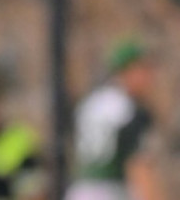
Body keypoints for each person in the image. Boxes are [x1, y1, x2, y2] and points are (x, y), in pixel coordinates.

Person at [66, 39, 165, 200]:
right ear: (127, 70)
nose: (150, 77)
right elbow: (140, 168)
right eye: (144, 68)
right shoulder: (131, 110)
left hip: (79, 192)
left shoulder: (90, 102)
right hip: (112, 192)